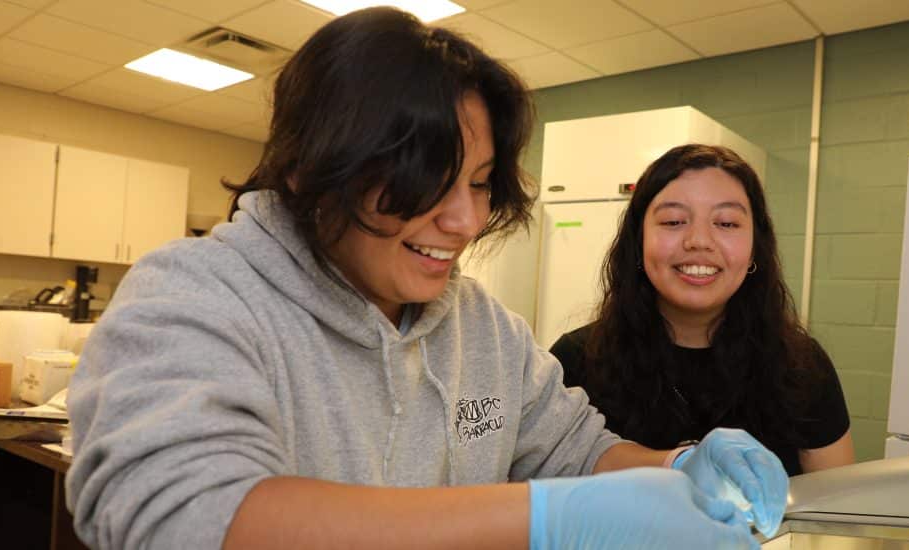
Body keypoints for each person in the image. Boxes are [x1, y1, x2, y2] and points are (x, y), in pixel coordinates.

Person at [65, 9, 788, 550]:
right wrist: (547, 517)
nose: (467, 220)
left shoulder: (480, 326)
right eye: (427, 182)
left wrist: (677, 465)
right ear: (309, 167)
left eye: (478, 183)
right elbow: (189, 518)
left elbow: (574, 449)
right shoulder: (192, 297)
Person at [550, 144, 855, 477]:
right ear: (638, 242)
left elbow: (832, 511)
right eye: (673, 221)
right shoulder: (575, 362)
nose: (699, 241)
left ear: (755, 248)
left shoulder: (802, 366)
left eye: (725, 223)